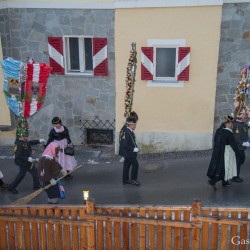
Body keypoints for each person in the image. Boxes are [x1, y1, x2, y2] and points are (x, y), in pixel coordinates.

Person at [7, 117, 46, 194]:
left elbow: (29, 143)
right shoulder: (19, 145)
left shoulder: (23, 141)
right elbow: (18, 156)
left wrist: (39, 140)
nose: (26, 138)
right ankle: (11, 187)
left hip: (28, 161)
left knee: (35, 172)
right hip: (22, 162)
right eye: (25, 136)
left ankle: (36, 185)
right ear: (21, 136)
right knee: (21, 175)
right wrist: (27, 158)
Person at [207, 116, 240, 190]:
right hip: (226, 152)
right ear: (228, 123)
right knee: (224, 168)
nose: (231, 125)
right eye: (231, 123)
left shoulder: (219, 130)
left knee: (223, 167)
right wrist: (238, 154)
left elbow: (215, 141)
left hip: (219, 152)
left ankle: (225, 182)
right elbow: (233, 144)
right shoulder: (228, 132)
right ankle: (212, 182)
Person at [121, 115, 141, 186]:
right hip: (130, 153)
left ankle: (125, 180)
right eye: (134, 125)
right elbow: (124, 144)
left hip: (129, 153)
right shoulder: (126, 132)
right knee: (135, 165)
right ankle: (133, 180)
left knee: (126, 166)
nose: (135, 126)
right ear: (131, 125)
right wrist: (133, 149)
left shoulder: (129, 131)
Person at [231, 115, 249, 183]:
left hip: (241, 147)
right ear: (241, 118)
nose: (246, 118)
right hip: (238, 147)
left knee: (241, 160)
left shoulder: (242, 124)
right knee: (238, 162)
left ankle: (234, 174)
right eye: (245, 117)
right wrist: (243, 143)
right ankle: (235, 177)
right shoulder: (238, 125)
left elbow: (246, 129)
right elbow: (236, 138)